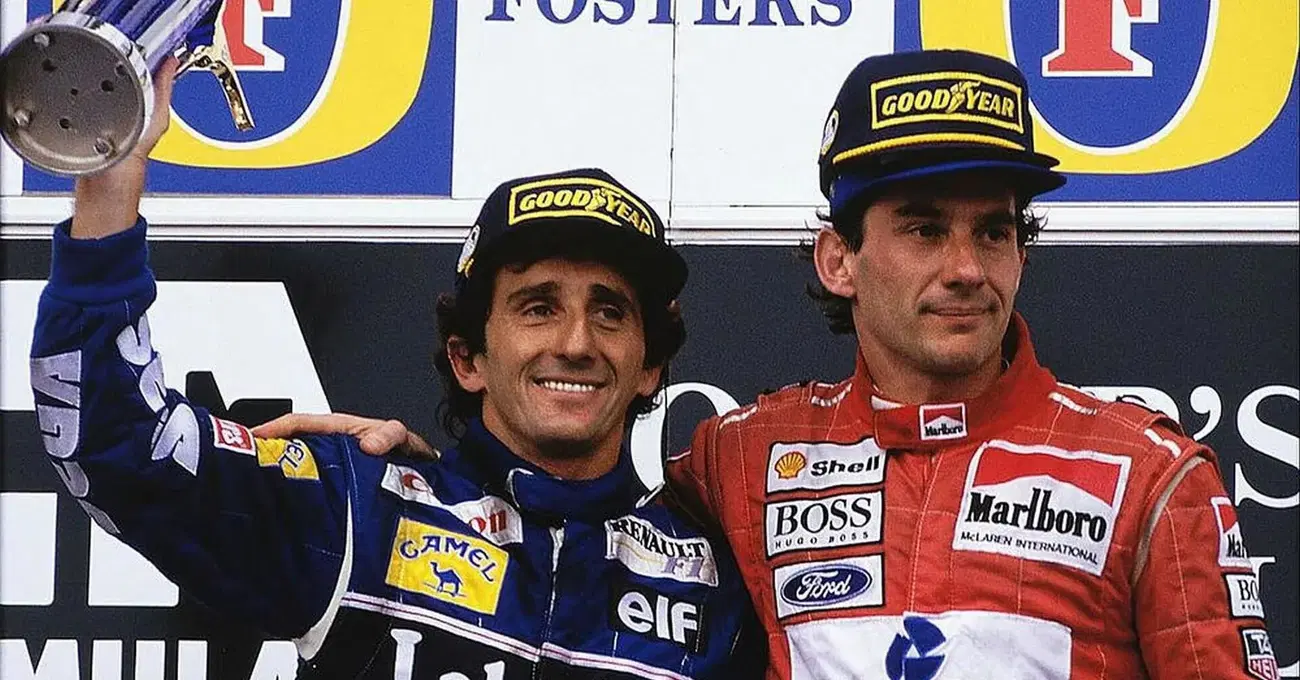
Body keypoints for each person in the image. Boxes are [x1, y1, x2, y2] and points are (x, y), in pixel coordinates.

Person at [259, 50, 1278, 679]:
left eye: (995, 230)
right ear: (839, 259)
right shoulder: (743, 460)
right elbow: (563, 522)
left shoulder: (1152, 477)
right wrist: (426, 480)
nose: (967, 267)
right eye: (924, 227)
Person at [28, 57, 763, 679]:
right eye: (538, 307)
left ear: (650, 367)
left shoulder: (716, 584)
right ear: (468, 358)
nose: (576, 342)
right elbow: (118, 445)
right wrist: (111, 178)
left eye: (609, 312)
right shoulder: (361, 504)